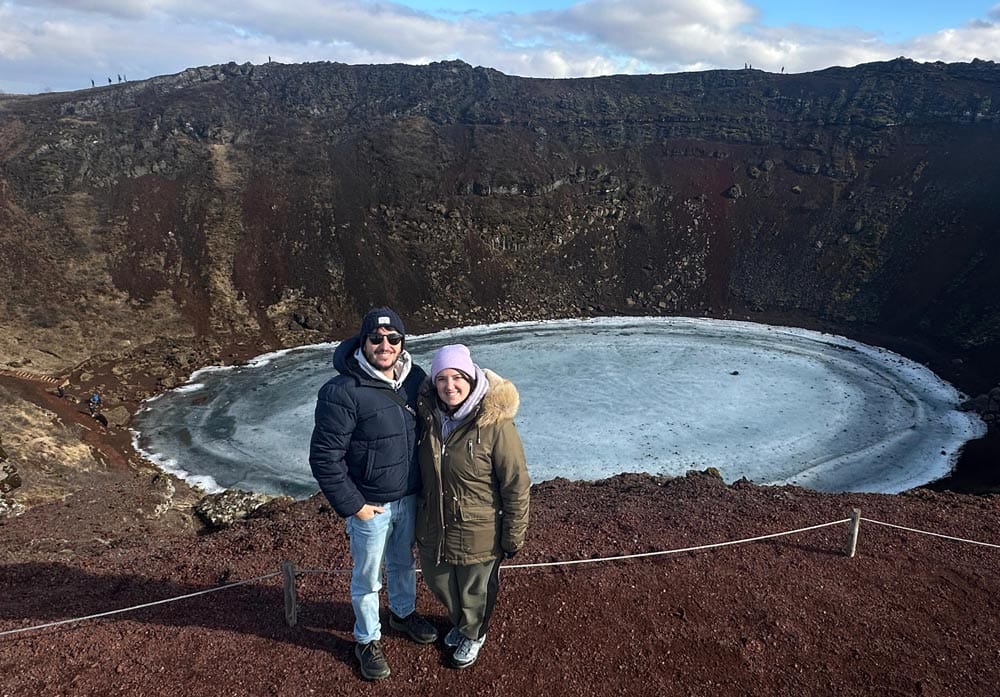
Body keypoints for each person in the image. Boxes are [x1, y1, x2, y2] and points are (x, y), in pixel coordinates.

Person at [309, 307, 438, 681]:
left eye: (393, 338)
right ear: (363, 343)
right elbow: (324, 457)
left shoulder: (416, 380)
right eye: (376, 338)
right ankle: (366, 639)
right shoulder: (342, 391)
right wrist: (355, 506)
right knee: (367, 577)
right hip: (371, 504)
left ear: (402, 343)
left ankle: (402, 613)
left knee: (402, 563)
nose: (385, 345)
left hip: (409, 497)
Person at [415, 344, 530, 669]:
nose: (449, 386)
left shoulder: (495, 426)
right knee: (438, 581)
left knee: (474, 591)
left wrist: (513, 535)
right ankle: (463, 625)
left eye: (457, 377)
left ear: (471, 378)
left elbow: (516, 484)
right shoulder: (429, 417)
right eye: (442, 379)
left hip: (479, 530)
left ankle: (474, 632)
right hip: (435, 525)